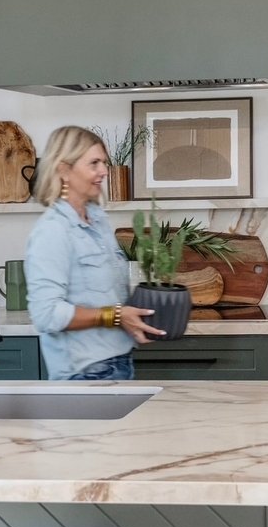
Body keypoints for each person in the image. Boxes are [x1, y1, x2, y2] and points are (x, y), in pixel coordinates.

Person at [24, 126, 164, 380]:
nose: (103, 171)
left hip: (118, 362)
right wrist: (117, 316)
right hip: (85, 373)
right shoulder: (53, 231)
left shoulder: (97, 222)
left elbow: (106, 295)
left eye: (104, 163)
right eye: (94, 163)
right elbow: (47, 315)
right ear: (64, 170)